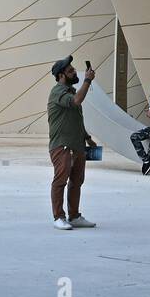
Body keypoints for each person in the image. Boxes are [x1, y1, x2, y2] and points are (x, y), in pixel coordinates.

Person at [47, 55, 98, 231]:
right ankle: (58, 217)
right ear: (61, 75)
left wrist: (87, 137)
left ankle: (74, 216)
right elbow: (77, 102)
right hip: (62, 145)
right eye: (70, 70)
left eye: (73, 68)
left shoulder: (69, 92)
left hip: (76, 145)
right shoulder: (58, 92)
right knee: (60, 180)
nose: (74, 71)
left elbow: (76, 119)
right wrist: (88, 81)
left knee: (77, 181)